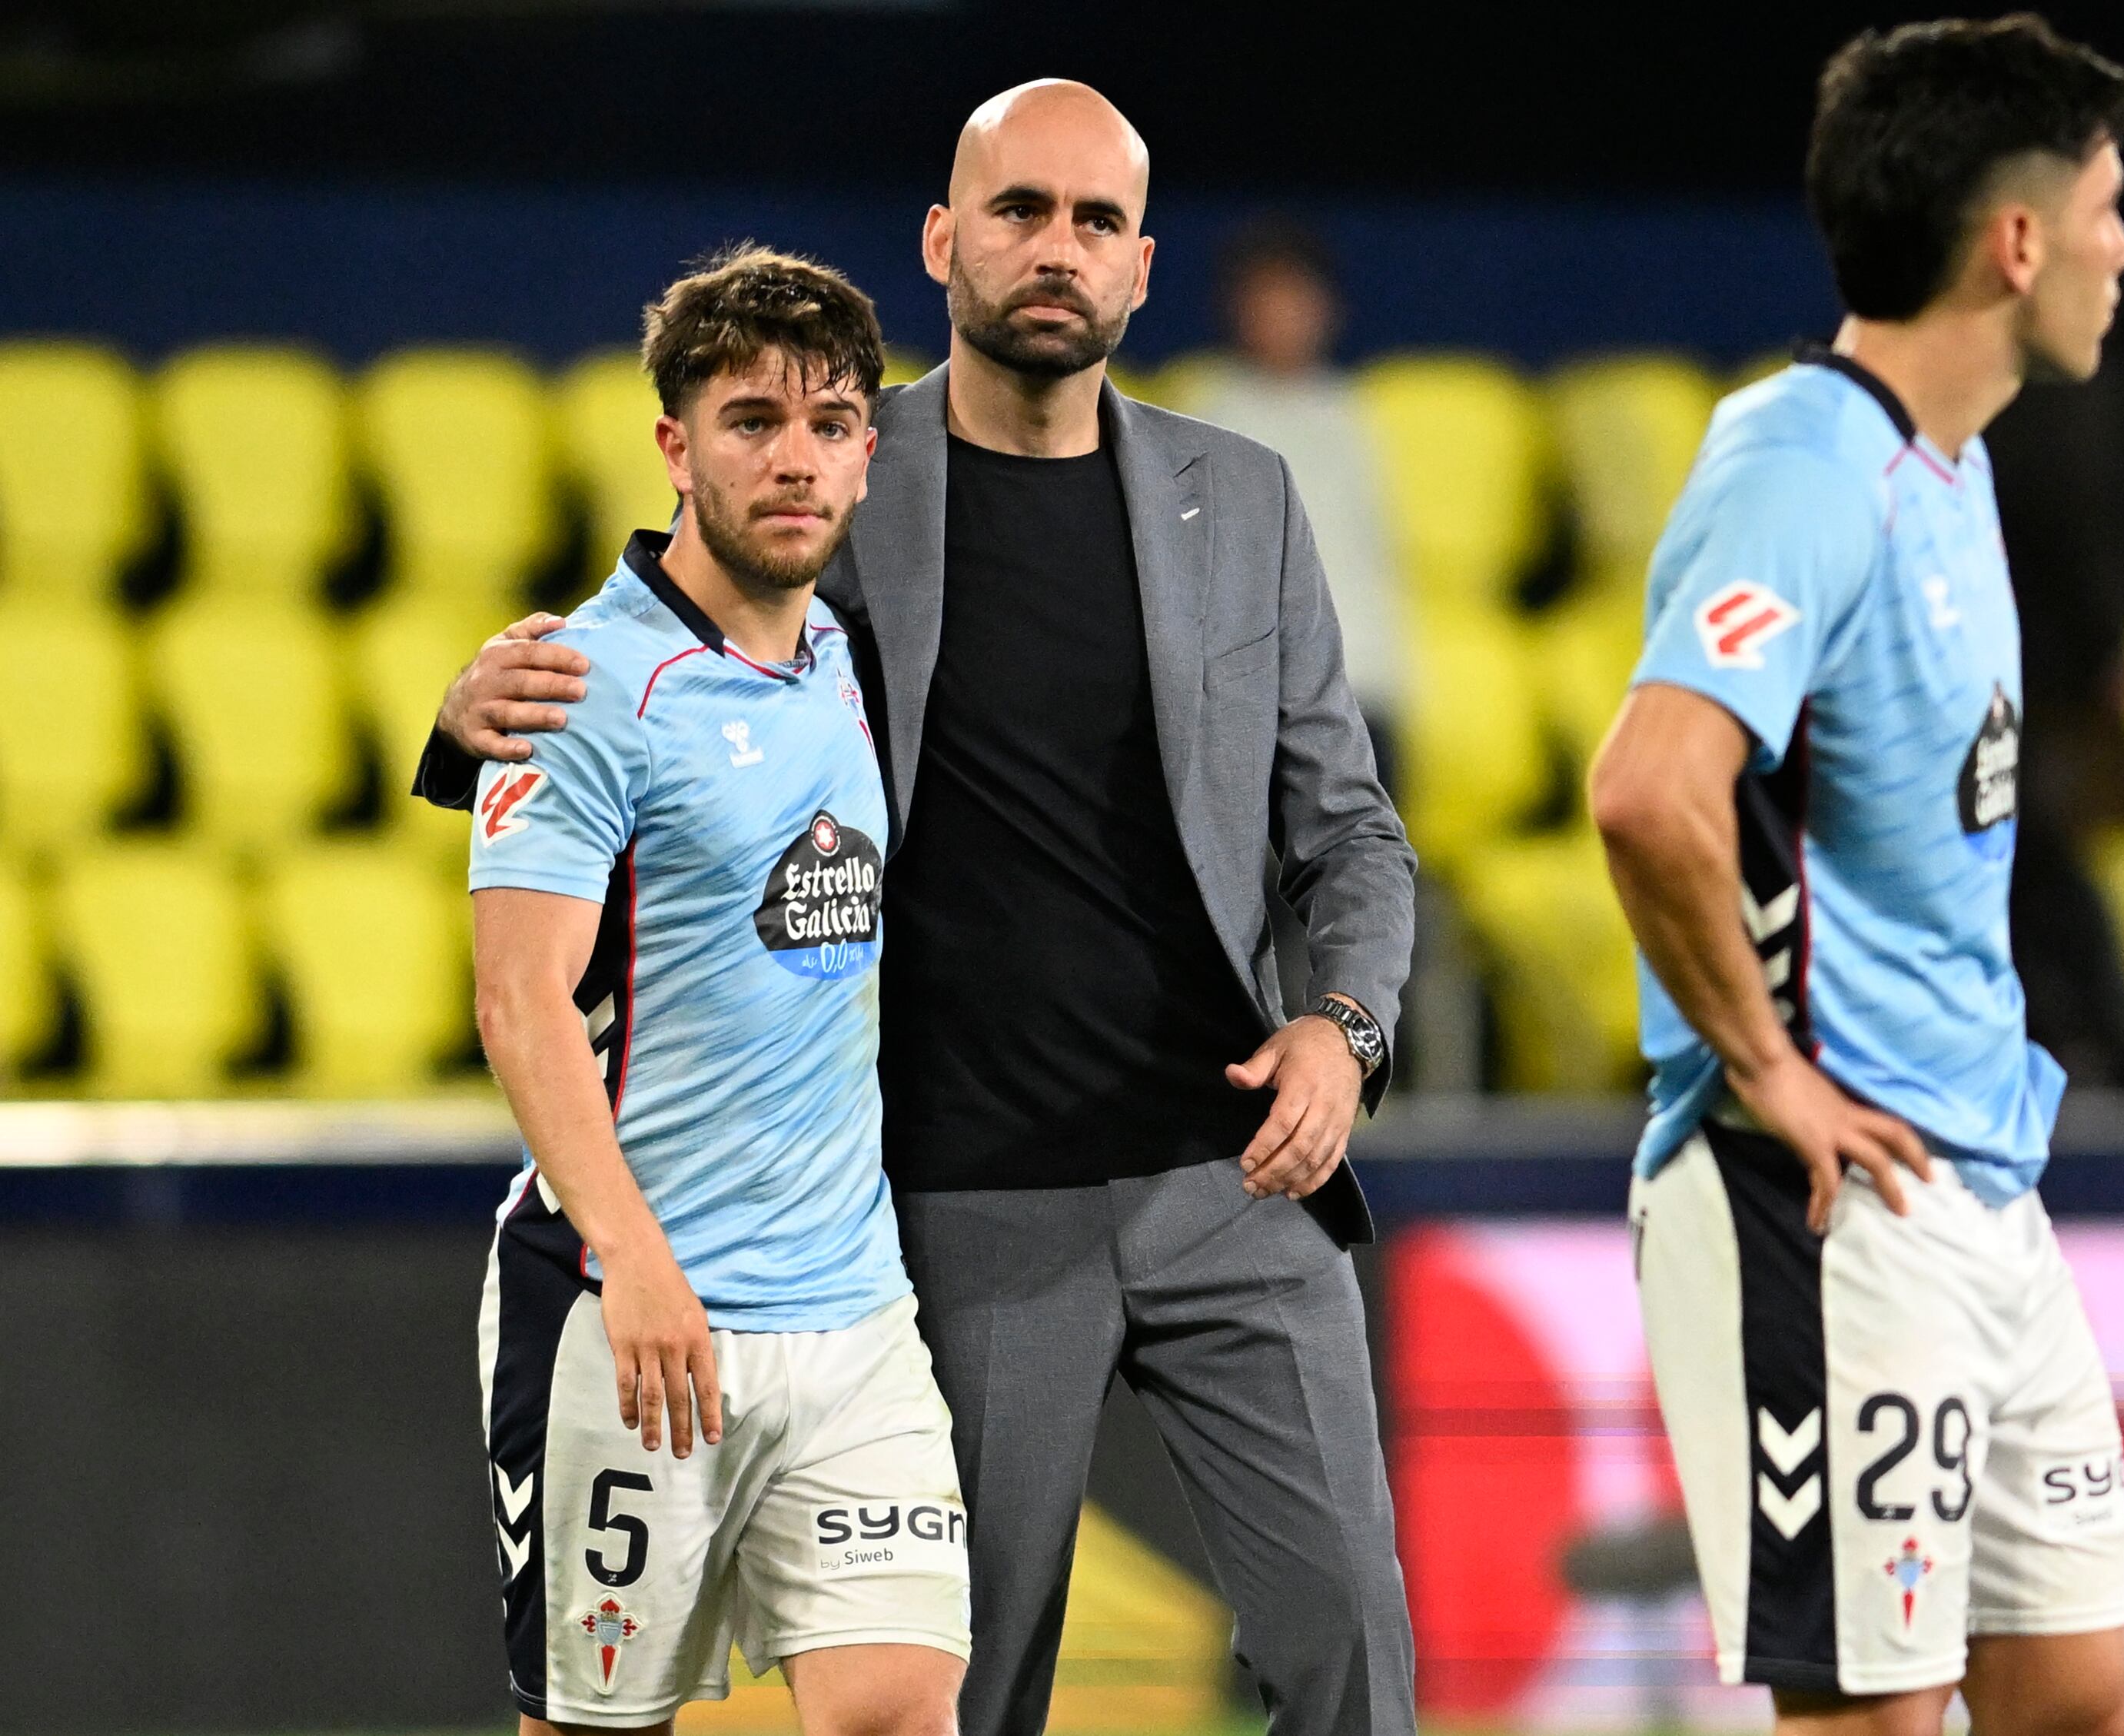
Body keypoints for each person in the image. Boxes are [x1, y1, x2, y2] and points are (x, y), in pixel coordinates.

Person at [420, 81, 1418, 1736]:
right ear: (945, 240)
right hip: (963, 1206)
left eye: (1096, 222)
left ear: (1144, 267)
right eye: (1019, 210)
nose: (1057, 251)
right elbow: (658, 650)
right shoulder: (842, 466)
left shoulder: (1240, 502)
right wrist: (469, 721)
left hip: (1235, 1175)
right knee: (963, 1690)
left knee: (1354, 1658)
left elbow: (1354, 834)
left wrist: (1346, 1027)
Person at [1589, 18, 2124, 1736]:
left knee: (2077, 1700)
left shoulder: (1951, 464)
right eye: (2109, 207)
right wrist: (1766, 1071)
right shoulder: (1801, 461)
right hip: (1824, 1199)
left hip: (1981, 1179)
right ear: (2017, 239)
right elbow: (1648, 790)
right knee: (1874, 1720)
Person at [470, 248, 966, 1732]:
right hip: (629, 1308)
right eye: (752, 421)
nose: (795, 458)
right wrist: (633, 1259)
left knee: (895, 1707)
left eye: (829, 422)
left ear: (870, 452)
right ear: (676, 446)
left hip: (856, 1311)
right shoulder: (577, 684)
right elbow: (519, 1003)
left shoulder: (853, 652)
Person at [1169, 221, 1404, 770]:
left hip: (1360, 687)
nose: (1281, 315)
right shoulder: (1207, 413)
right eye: (1264, 298)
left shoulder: (1356, 417)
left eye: (1295, 297)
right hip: (1246, 697)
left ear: (1327, 307)